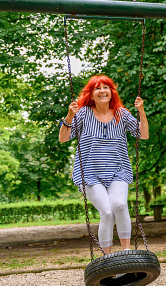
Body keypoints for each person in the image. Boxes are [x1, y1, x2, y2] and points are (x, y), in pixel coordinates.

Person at [59, 75, 149, 255]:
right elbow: (63, 138)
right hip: (90, 175)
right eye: (97, 88)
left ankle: (127, 253)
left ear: (111, 92)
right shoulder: (83, 114)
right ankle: (108, 259)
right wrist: (70, 115)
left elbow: (143, 135)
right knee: (107, 212)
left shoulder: (121, 114)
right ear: (91, 94)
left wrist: (142, 112)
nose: (102, 91)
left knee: (120, 205)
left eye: (106, 87)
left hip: (118, 171)